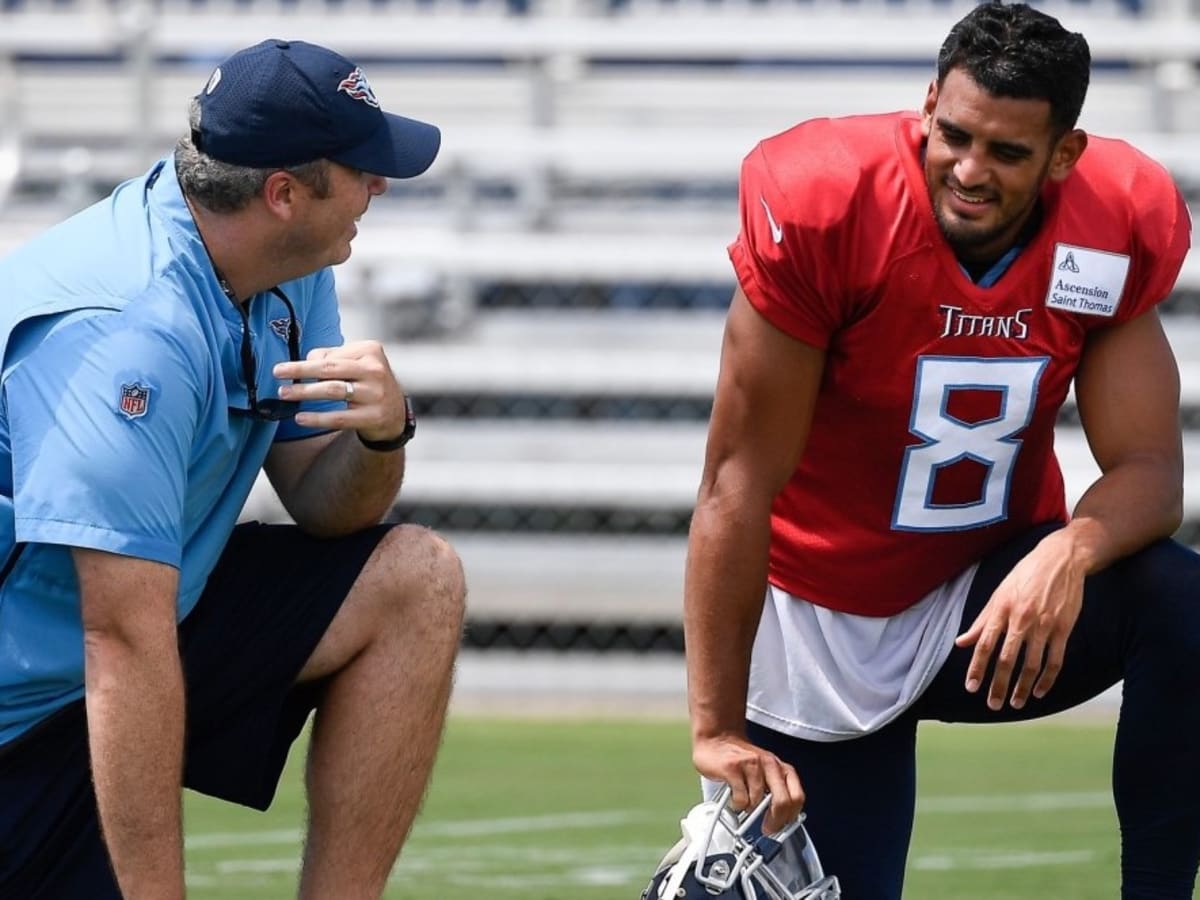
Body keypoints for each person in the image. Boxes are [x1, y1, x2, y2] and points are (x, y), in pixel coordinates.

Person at [684, 2, 1198, 897]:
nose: (968, 169)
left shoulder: (1108, 224)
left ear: (1064, 155)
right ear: (928, 104)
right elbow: (736, 484)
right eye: (954, 135)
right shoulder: (831, 205)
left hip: (985, 600)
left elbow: (1152, 473)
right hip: (822, 617)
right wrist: (716, 727)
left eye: (1006, 152)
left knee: (1180, 598)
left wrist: (1069, 551)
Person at [0, 39, 466, 898]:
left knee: (416, 579)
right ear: (283, 194)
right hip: (25, 707)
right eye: (360, 168)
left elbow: (326, 506)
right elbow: (119, 638)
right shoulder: (127, 333)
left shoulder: (283, 261)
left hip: (138, 623)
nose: (380, 185)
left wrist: (381, 437)